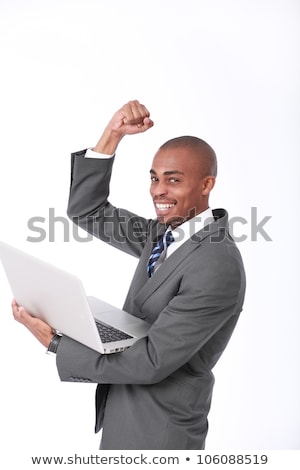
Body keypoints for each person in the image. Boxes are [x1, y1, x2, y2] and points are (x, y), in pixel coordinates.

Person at [12, 100, 246, 450]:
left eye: (173, 180)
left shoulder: (216, 262)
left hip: (160, 430)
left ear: (206, 184)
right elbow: (88, 210)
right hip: (125, 411)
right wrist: (113, 134)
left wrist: (56, 343)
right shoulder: (164, 235)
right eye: (154, 178)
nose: (158, 190)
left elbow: (153, 361)